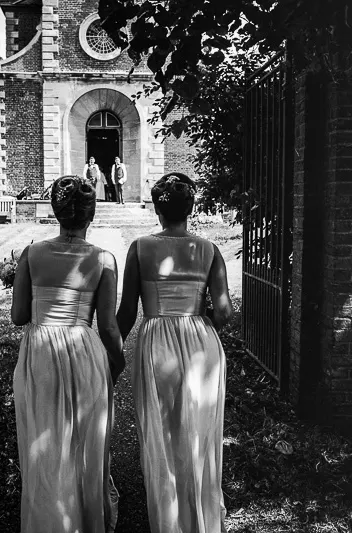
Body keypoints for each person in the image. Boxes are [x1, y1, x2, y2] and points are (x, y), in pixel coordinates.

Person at [116, 172, 233, 533]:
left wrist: (110, 353)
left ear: (158, 209)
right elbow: (225, 311)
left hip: (158, 342)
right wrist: (200, 319)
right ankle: (200, 512)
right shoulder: (209, 250)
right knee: (198, 428)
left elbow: (126, 314)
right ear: (191, 208)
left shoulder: (140, 247)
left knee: (163, 431)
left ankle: (169, 519)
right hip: (202, 341)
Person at [11, 175, 125, 533]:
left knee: (45, 436)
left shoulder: (31, 254)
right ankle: (85, 517)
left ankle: (50, 517)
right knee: (85, 437)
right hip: (82, 351)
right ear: (91, 214)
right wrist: (117, 362)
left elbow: (18, 317)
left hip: (40, 352)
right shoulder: (103, 260)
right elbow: (107, 326)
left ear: (55, 212)